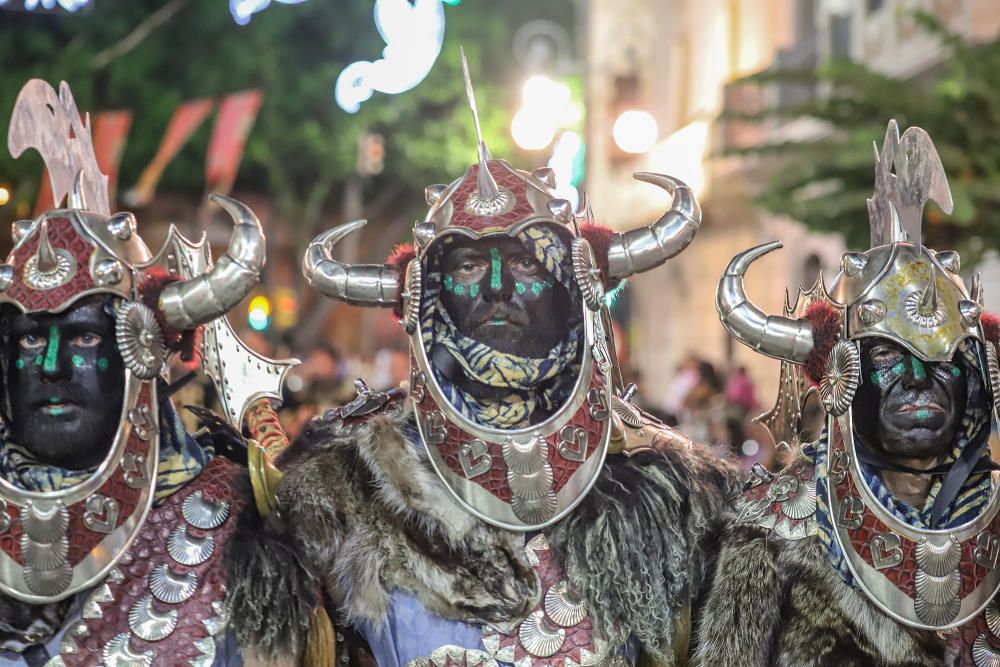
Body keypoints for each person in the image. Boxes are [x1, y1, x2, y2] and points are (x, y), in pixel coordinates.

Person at [226, 57, 738, 667]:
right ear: (430, 293)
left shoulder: (672, 488)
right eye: (468, 265)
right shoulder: (342, 483)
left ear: (571, 282)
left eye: (524, 262)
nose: (497, 286)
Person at [697, 120, 1000, 665]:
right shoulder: (772, 528)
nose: (917, 381)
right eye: (888, 357)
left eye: (942, 361)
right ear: (843, 377)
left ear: (976, 382)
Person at [0, 79, 267, 666]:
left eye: (85, 336)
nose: (48, 367)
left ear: (138, 350)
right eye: (27, 341)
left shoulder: (238, 535)